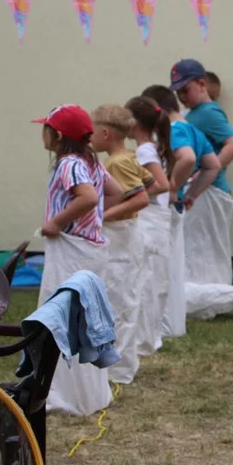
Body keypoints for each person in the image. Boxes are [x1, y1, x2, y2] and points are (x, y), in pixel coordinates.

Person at [33, 104, 125, 415]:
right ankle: (86, 392)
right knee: (85, 318)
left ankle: (65, 394)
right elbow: (117, 193)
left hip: (71, 251)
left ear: (56, 136)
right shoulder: (91, 162)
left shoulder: (68, 164)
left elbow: (86, 197)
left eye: (45, 127)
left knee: (61, 315)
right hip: (90, 250)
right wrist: (94, 218)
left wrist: (57, 222)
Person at [141, 84, 222, 339]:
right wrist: (192, 193)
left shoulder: (174, 130)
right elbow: (212, 165)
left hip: (163, 209)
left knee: (160, 267)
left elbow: (186, 158)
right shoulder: (194, 130)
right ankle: (172, 324)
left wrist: (172, 186)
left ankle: (160, 325)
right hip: (177, 208)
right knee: (174, 266)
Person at [91, 104, 154, 384]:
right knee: (123, 298)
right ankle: (119, 364)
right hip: (127, 235)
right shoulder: (128, 156)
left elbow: (141, 198)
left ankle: (118, 369)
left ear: (105, 133)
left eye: (91, 131)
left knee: (120, 301)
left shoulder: (116, 162)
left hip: (122, 237)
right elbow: (148, 183)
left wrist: (103, 214)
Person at [170, 58, 233, 286]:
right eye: (178, 92)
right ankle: (203, 291)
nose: (181, 96)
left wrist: (211, 169)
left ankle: (211, 292)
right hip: (202, 189)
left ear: (202, 84)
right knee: (199, 245)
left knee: (206, 245)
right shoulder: (195, 113)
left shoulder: (209, 113)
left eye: (185, 90)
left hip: (209, 190)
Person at [127, 95, 175, 354]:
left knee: (145, 279)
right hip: (158, 221)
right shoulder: (154, 146)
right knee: (153, 280)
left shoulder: (144, 150)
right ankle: (148, 335)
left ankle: (144, 338)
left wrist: (135, 193)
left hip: (150, 221)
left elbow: (162, 184)